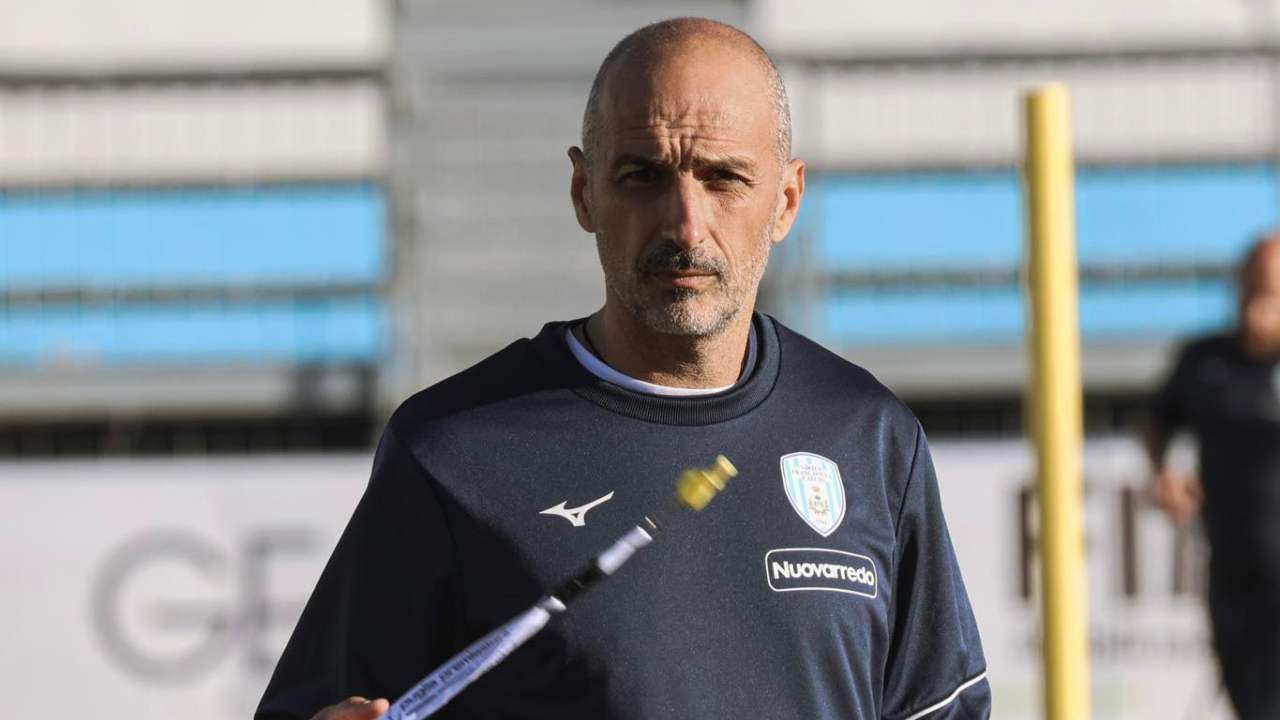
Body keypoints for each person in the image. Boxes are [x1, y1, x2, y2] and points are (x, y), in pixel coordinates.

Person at [257, 18, 989, 720]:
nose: (685, 224)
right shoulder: (451, 452)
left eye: (724, 178)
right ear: (584, 192)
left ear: (787, 199)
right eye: (643, 175)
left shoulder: (870, 435)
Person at [1148, 233, 1280, 720]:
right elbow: (1158, 424)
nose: (1259, 302)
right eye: (1254, 286)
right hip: (1233, 573)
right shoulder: (1206, 360)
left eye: (1271, 290)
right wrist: (1165, 472)